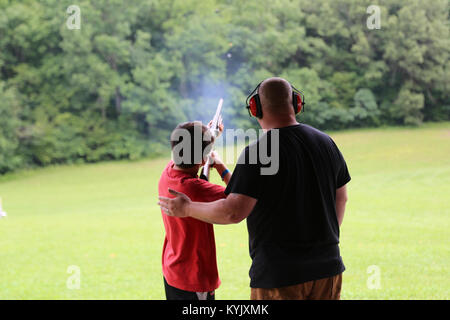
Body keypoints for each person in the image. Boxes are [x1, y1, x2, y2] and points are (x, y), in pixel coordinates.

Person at [158, 77, 350, 300]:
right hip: (329, 269)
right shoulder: (326, 142)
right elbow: (341, 198)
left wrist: (187, 208)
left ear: (255, 108)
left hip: (279, 276)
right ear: (296, 103)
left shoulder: (258, 153)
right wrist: (324, 243)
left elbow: (233, 211)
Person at [158, 121, 231, 300]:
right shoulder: (195, 188)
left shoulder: (168, 172)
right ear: (202, 159)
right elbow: (240, 194)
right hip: (194, 277)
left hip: (174, 270)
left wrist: (209, 137)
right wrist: (221, 167)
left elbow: (191, 150)